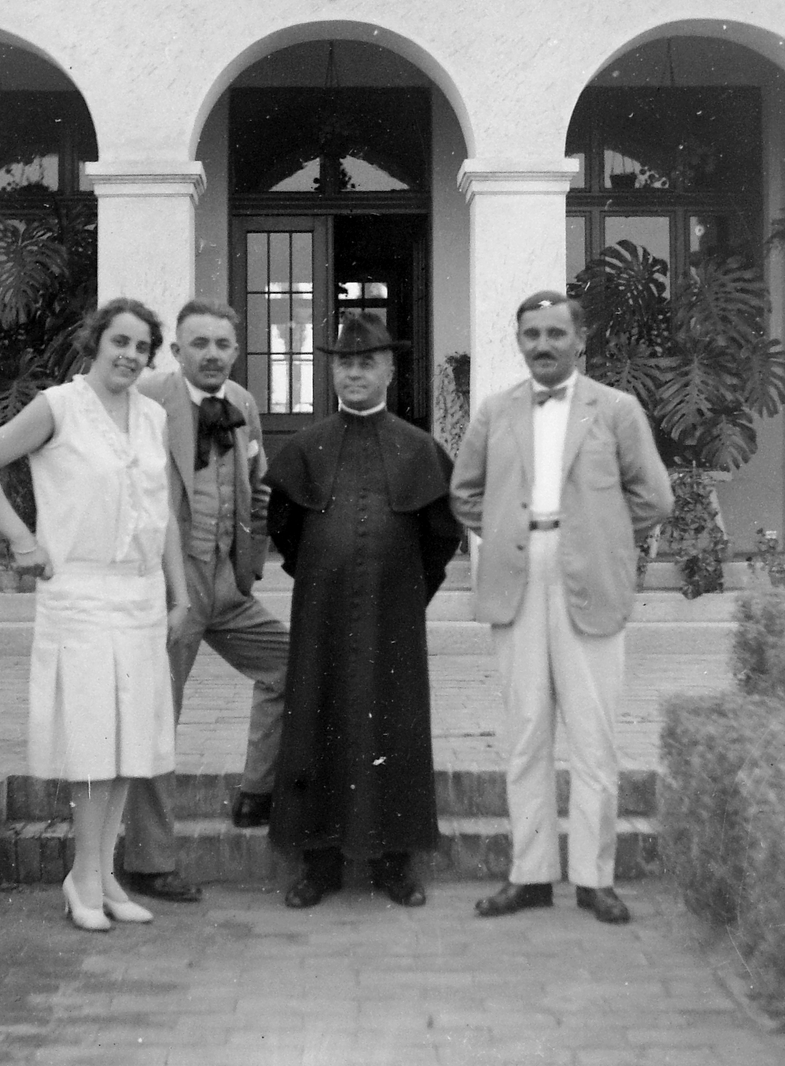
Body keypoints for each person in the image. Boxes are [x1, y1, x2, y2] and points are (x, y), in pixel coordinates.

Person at [0, 298, 190, 933]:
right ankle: (83, 876)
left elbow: (161, 513)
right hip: (80, 595)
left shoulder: (151, 416)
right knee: (93, 741)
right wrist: (23, 541)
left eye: (142, 347)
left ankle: (102, 873)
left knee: (127, 741)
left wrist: (179, 594)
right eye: (120, 341)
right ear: (96, 341)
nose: (129, 356)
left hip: (139, 597)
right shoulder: (57, 406)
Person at [450, 290, 673, 924]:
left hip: (590, 578)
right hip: (517, 575)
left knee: (594, 737)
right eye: (531, 335)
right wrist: (508, 530)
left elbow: (654, 498)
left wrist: (600, 534)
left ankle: (594, 878)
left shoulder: (617, 409)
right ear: (518, 342)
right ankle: (530, 874)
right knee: (525, 734)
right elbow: (465, 494)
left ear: (579, 341)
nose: (543, 346)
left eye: (554, 334)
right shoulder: (495, 412)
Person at [264, 312, 461, 910]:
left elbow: (439, 537)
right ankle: (317, 863)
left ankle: (395, 863)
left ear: (390, 371)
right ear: (331, 372)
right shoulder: (303, 449)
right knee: (315, 722)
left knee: (395, 725)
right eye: (345, 363)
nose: (355, 372)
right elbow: (287, 532)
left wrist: (400, 591)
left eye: (367, 362)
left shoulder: (421, 449)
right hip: (321, 613)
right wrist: (329, 575)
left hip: (395, 615)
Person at [121, 298, 289, 904]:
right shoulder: (146, 401)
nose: (212, 354)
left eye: (222, 344)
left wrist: (252, 558)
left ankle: (256, 791)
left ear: (236, 349)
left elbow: (259, 485)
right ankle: (148, 858)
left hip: (227, 581)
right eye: (199, 344)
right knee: (158, 715)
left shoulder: (241, 404)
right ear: (176, 351)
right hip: (171, 584)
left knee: (289, 665)